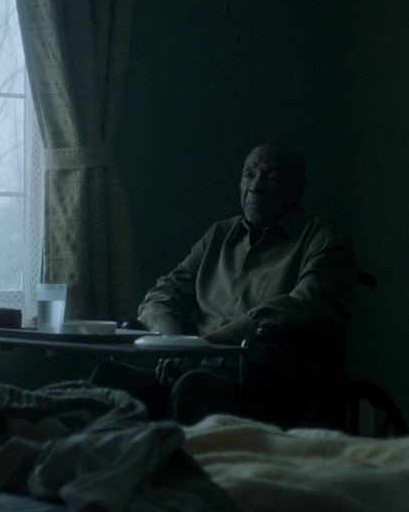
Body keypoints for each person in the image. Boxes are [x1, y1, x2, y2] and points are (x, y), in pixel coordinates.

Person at [91, 143, 363, 426]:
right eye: (249, 174)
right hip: (194, 367)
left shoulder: (321, 237)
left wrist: (210, 344)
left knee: (194, 388)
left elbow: (303, 306)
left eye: (272, 177)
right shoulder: (220, 235)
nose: (255, 187)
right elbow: (163, 294)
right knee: (109, 380)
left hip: (269, 381)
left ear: (298, 188)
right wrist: (173, 345)